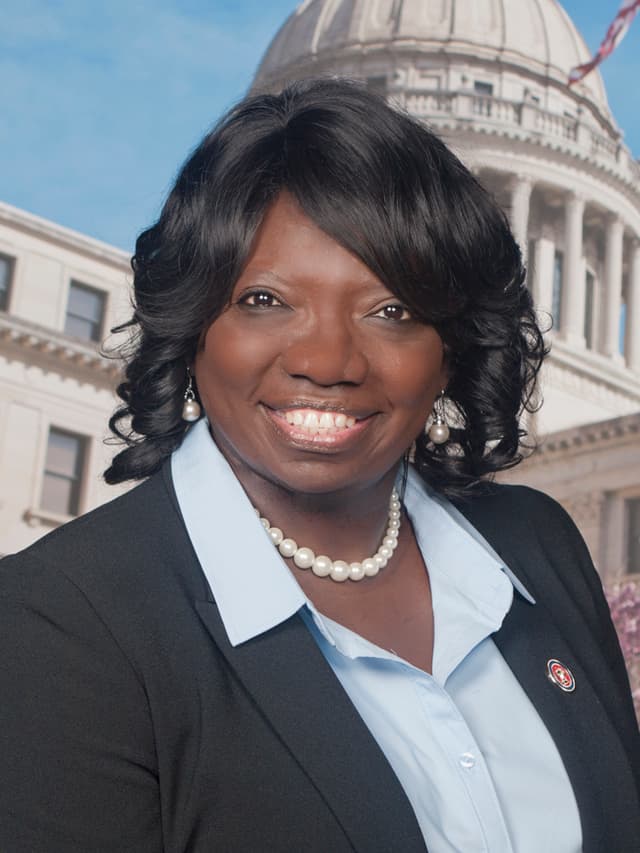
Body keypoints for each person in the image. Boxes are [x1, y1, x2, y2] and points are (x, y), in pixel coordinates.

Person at [1, 78, 638, 853]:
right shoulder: (59, 625)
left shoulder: (536, 544)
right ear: (195, 321)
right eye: (265, 299)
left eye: (391, 310)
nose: (327, 361)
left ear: (452, 346)